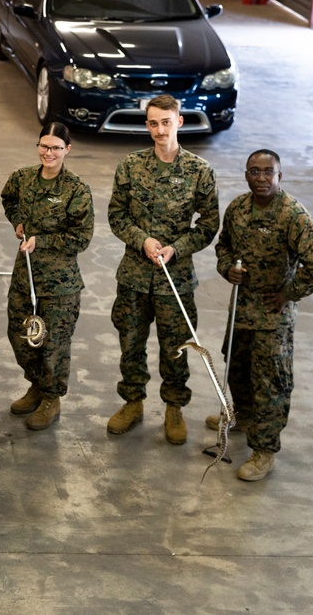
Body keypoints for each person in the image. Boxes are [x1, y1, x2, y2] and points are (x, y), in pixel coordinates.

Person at [206, 150, 313, 481]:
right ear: (246, 174)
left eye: (268, 172)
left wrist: (289, 293)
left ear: (280, 176)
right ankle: (244, 416)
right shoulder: (237, 208)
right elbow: (224, 247)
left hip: (273, 316)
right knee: (235, 366)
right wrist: (227, 269)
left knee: (270, 383)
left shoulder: (292, 215)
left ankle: (264, 450)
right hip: (242, 310)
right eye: (254, 171)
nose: (261, 178)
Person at [106, 94, 220, 445]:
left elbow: (208, 224)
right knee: (131, 343)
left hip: (177, 280)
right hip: (135, 278)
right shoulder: (130, 165)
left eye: (165, 122)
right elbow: (117, 214)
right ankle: (133, 402)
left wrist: (177, 248)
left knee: (177, 347)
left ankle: (174, 407)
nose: (159, 130)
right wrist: (142, 239)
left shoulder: (199, 171)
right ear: (147, 125)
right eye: (153, 123)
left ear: (179, 122)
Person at [2, 123, 94, 430]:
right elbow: (8, 197)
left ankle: (51, 397)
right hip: (25, 276)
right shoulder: (23, 178)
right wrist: (17, 221)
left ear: (67, 150)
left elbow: (81, 238)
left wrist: (42, 239)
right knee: (20, 335)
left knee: (53, 345)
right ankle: (37, 386)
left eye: (55, 147)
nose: (48, 152)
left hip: (60, 284)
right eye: (44, 146)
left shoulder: (76, 189)